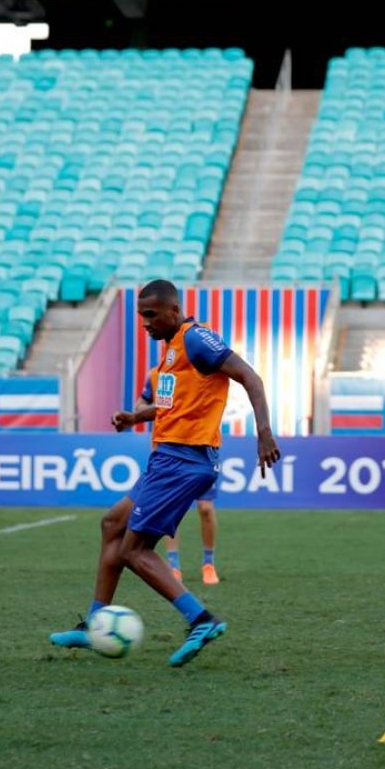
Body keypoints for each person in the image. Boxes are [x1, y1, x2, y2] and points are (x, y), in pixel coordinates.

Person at [50, 279, 279, 667]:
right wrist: (134, 416)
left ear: (174, 311)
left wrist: (264, 433)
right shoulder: (171, 354)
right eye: (141, 316)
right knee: (112, 524)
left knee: (134, 550)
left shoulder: (196, 339)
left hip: (184, 460)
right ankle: (94, 624)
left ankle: (200, 619)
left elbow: (250, 378)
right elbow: (171, 407)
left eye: (151, 315)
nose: (145, 323)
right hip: (167, 458)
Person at [164, 479, 220, 585]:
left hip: (204, 463)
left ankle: (208, 564)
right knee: (172, 508)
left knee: (206, 508)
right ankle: (173, 566)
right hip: (176, 464)